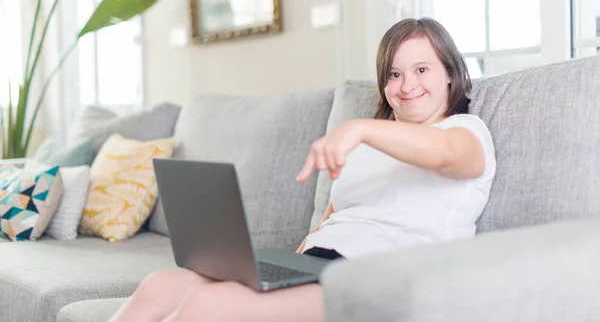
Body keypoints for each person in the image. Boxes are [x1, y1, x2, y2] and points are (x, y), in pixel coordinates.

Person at [109, 17, 496, 322]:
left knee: (210, 307)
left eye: (421, 70)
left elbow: (447, 155)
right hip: (315, 268)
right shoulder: (371, 144)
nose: (406, 85)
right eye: (394, 74)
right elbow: (337, 215)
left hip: (379, 279)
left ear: (449, 72)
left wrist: (359, 127)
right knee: (159, 286)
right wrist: (295, 257)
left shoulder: (464, 132)